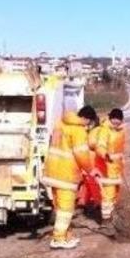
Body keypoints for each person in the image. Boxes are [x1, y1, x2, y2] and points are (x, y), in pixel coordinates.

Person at [42, 106, 98, 249]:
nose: (88, 126)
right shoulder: (78, 130)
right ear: (86, 119)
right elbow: (81, 154)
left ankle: (65, 235)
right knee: (66, 208)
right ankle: (58, 239)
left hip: (52, 171)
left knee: (59, 206)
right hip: (66, 173)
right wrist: (91, 170)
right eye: (89, 123)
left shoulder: (60, 124)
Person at [93, 108, 126, 225]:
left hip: (117, 168)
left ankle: (112, 216)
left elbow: (122, 149)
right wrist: (105, 155)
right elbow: (100, 146)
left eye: (119, 119)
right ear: (111, 118)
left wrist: (122, 162)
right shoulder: (104, 130)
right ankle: (106, 220)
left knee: (115, 195)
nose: (117, 121)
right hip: (106, 167)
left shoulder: (122, 131)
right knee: (108, 195)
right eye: (115, 119)